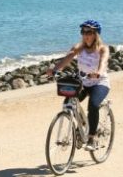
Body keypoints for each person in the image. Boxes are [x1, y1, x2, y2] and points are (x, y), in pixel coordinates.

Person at [45, 20, 110, 151]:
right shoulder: (79, 47)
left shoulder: (103, 48)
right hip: (83, 82)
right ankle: (84, 124)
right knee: (69, 102)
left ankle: (91, 137)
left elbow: (103, 62)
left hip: (99, 82)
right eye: (83, 32)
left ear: (96, 34)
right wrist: (55, 70)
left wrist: (98, 72)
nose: (86, 35)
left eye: (89, 32)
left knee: (93, 105)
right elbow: (67, 59)